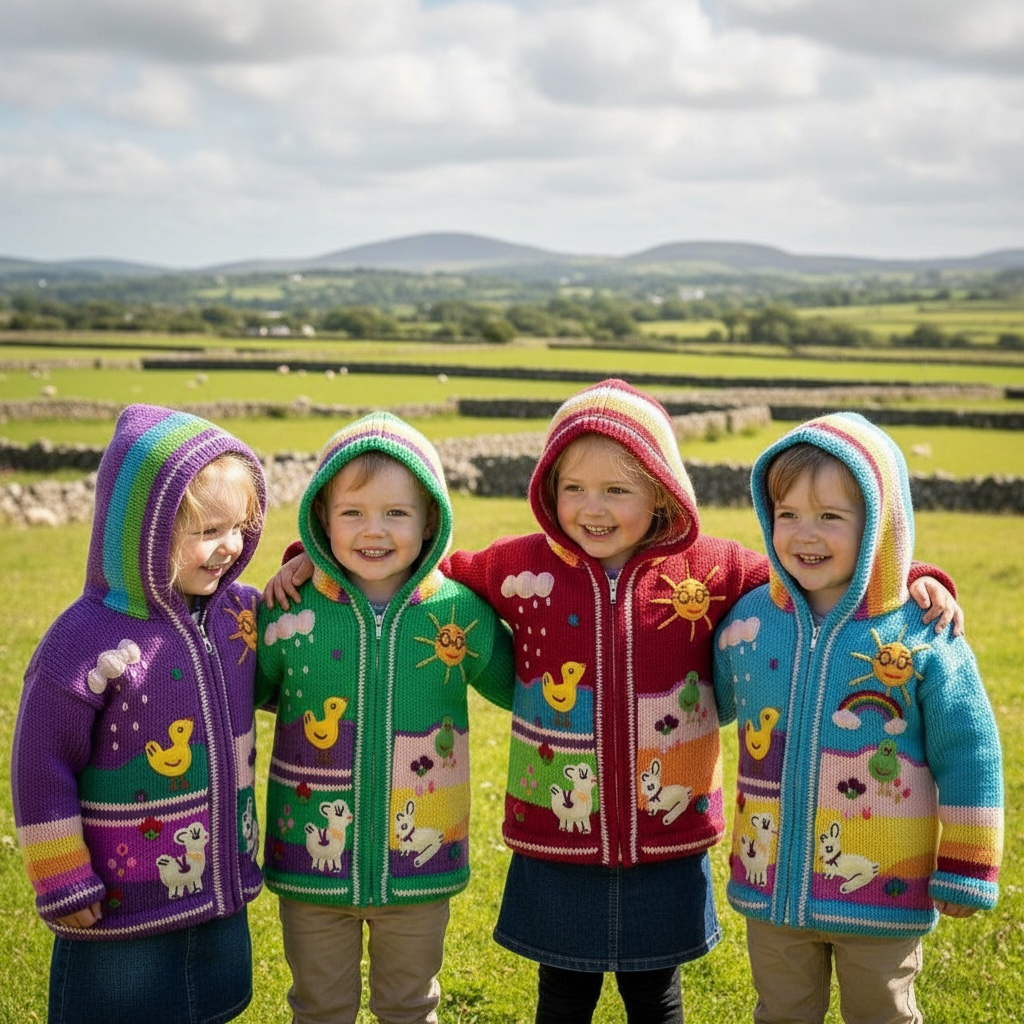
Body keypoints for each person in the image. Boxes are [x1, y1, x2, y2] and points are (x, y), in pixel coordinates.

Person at [266, 379, 962, 1024]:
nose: (592, 510)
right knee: (561, 990)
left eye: (617, 491)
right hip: (557, 830)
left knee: (654, 993)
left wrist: (917, 575)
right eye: (573, 488)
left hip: (668, 832)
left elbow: (808, 570)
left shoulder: (713, 569)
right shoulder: (519, 565)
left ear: (663, 494)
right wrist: (311, 552)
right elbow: (414, 557)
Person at [713, 411, 1002, 1024]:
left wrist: (969, 862)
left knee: (881, 1014)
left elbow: (970, 748)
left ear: (879, 524)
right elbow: (704, 696)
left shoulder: (923, 634)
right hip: (770, 893)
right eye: (786, 514)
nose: (803, 534)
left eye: (831, 517)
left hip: (882, 899)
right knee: (781, 1011)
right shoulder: (750, 620)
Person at [254, 411, 515, 1024]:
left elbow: (522, 686)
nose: (375, 530)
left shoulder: (458, 611)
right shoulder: (289, 612)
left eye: (397, 513)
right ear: (321, 517)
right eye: (352, 512)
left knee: (409, 1005)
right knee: (318, 1007)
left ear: (431, 522)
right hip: (309, 859)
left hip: (420, 864)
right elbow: (245, 695)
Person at [11, 404, 267, 1024]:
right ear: (142, 531)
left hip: (216, 895)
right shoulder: (85, 640)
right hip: (119, 909)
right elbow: (41, 764)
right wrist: (61, 876)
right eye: (207, 531)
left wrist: (305, 566)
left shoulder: (239, 614)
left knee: (211, 1011)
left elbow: (301, 656)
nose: (229, 547)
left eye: (240, 527)